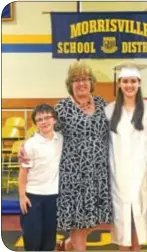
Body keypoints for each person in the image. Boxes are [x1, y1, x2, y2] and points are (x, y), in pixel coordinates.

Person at [54, 61, 113, 251]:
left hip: (99, 172)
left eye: (85, 79)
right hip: (74, 173)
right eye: (76, 80)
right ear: (70, 84)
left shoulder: (103, 104)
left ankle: (69, 243)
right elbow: (47, 134)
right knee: (79, 221)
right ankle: (76, 245)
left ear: (92, 82)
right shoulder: (62, 108)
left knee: (97, 217)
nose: (81, 83)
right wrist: (27, 148)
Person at [105, 63, 147, 251]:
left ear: (139, 83)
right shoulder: (109, 111)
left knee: (138, 226)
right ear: (119, 84)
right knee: (122, 229)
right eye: (125, 81)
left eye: (133, 81)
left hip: (140, 175)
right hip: (117, 175)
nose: (129, 85)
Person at [18, 104, 63, 251]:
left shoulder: (61, 139)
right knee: (32, 240)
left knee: (49, 241)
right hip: (33, 197)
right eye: (39, 119)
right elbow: (23, 172)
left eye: (47, 118)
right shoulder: (30, 145)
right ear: (36, 123)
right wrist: (22, 196)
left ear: (54, 120)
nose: (44, 122)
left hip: (53, 197)